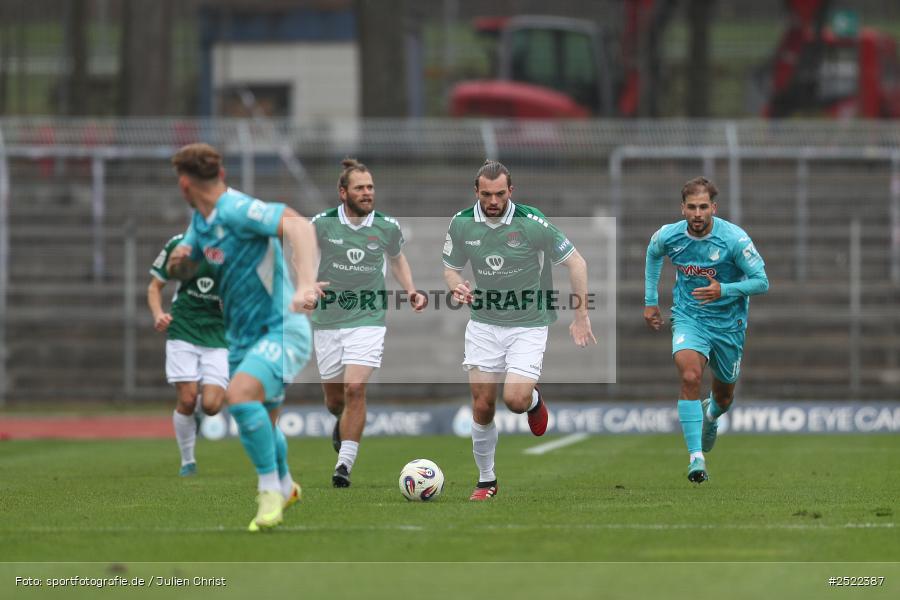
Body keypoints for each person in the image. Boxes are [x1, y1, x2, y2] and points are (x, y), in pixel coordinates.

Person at [166, 143, 322, 531]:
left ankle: (268, 491)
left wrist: (304, 286)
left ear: (184, 186)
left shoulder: (237, 209)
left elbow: (299, 225)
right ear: (218, 175)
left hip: (282, 326)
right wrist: (181, 266)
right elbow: (191, 268)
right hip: (241, 337)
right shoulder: (200, 223)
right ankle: (286, 485)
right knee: (264, 424)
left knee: (239, 396)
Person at [442, 159, 596, 501]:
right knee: (482, 404)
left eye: (500, 194)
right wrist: (456, 285)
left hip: (527, 324)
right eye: (486, 194)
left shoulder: (531, 222)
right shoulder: (462, 223)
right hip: (483, 323)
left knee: (514, 400)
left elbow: (576, 262)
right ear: (476, 192)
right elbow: (451, 269)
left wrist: (581, 314)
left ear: (511, 191)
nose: (493, 201)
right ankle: (486, 481)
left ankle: (533, 400)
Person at [643, 176, 769, 484]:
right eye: (691, 207)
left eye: (703, 207)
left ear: (713, 207)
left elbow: (762, 281)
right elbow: (653, 253)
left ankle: (711, 415)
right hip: (689, 317)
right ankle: (696, 458)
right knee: (689, 376)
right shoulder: (669, 236)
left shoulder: (734, 239)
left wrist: (723, 290)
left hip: (728, 324)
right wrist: (650, 301)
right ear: (682, 208)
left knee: (724, 396)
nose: (697, 214)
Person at [310, 159, 426, 488]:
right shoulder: (321, 224)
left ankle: (343, 465)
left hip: (368, 318)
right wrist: (307, 282)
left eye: (370, 187)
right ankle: (341, 421)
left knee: (355, 388)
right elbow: (299, 256)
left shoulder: (387, 226)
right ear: (343, 192)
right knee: (335, 401)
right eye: (360, 188)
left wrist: (411, 290)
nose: (367, 193)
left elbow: (397, 259)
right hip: (329, 319)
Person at [147, 233, 227, 477]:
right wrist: (159, 314)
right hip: (183, 328)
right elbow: (154, 286)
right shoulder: (180, 244)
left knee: (212, 405)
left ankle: (200, 416)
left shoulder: (234, 246)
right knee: (188, 399)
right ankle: (187, 460)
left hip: (217, 333)